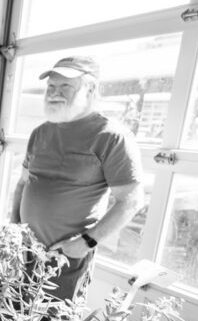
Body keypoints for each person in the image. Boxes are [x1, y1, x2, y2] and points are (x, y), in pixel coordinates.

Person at [11, 56, 143, 301]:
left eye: (65, 86)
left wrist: (85, 242)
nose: (54, 93)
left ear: (90, 89)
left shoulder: (111, 137)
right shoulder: (40, 132)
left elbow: (130, 201)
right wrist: (14, 229)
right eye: (51, 86)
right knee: (15, 315)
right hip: (26, 251)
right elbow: (23, 184)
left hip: (67, 257)